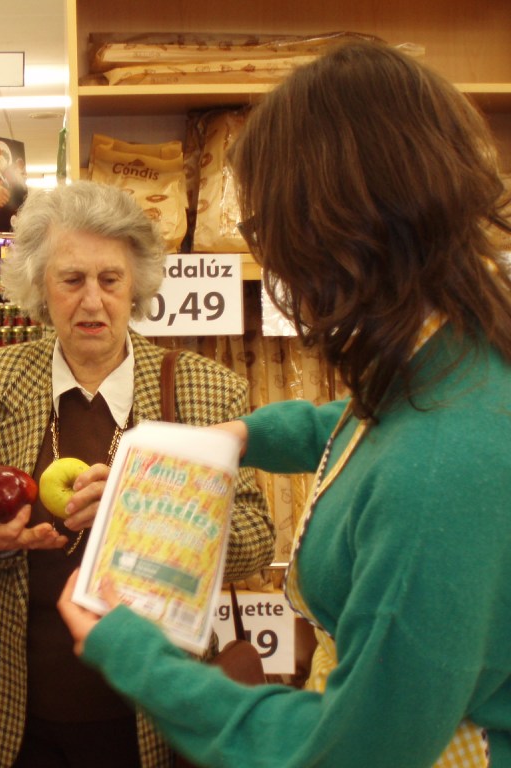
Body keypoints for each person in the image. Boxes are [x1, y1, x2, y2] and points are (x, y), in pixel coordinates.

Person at [58, 40, 511, 768]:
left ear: (340, 224)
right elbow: (368, 426)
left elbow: (347, 753)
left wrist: (136, 655)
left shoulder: (439, 474)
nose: (271, 263)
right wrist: (238, 436)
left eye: (269, 230)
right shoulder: (460, 366)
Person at [0, 180, 275, 768]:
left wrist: (138, 509)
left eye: (110, 280)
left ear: (134, 284)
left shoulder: (206, 392)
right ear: (40, 285)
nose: (93, 301)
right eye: (72, 279)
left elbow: (255, 544)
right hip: (9, 712)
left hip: (155, 711)